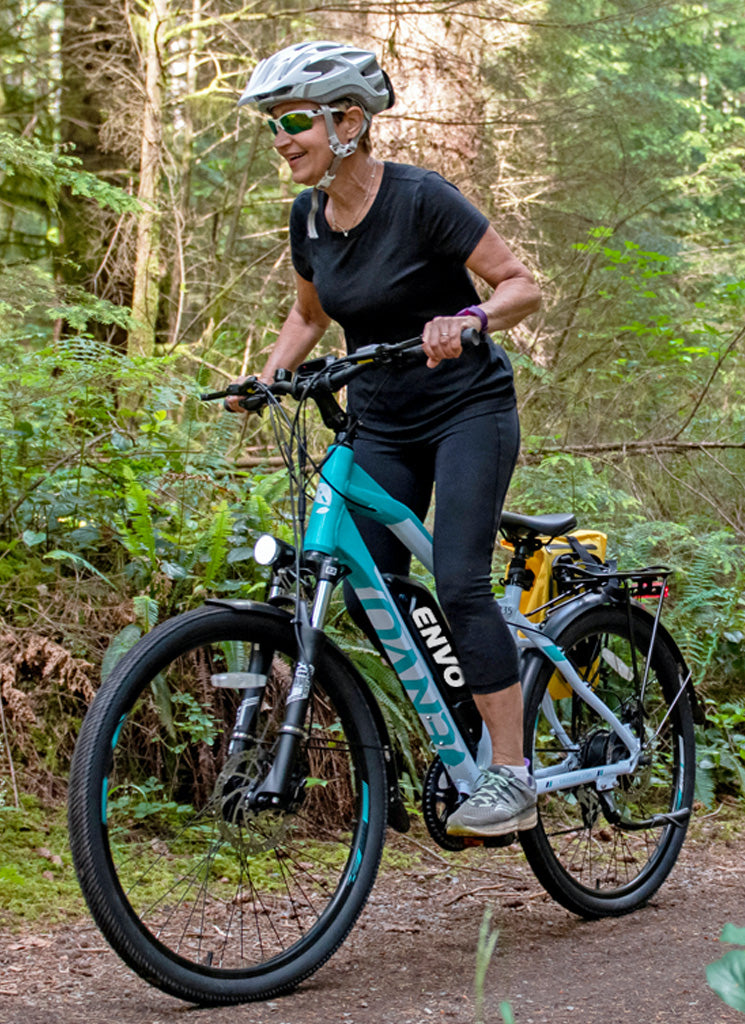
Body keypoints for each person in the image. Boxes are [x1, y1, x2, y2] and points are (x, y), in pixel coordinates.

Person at [237, 42, 542, 836]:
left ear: (349, 122)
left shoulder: (420, 198)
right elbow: (309, 314)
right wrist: (266, 378)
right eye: (274, 125)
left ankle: (512, 774)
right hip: (380, 419)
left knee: (461, 583)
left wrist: (468, 318)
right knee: (368, 588)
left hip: (466, 409)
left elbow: (521, 286)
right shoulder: (308, 217)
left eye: (295, 122)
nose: (281, 140)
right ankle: (462, 723)